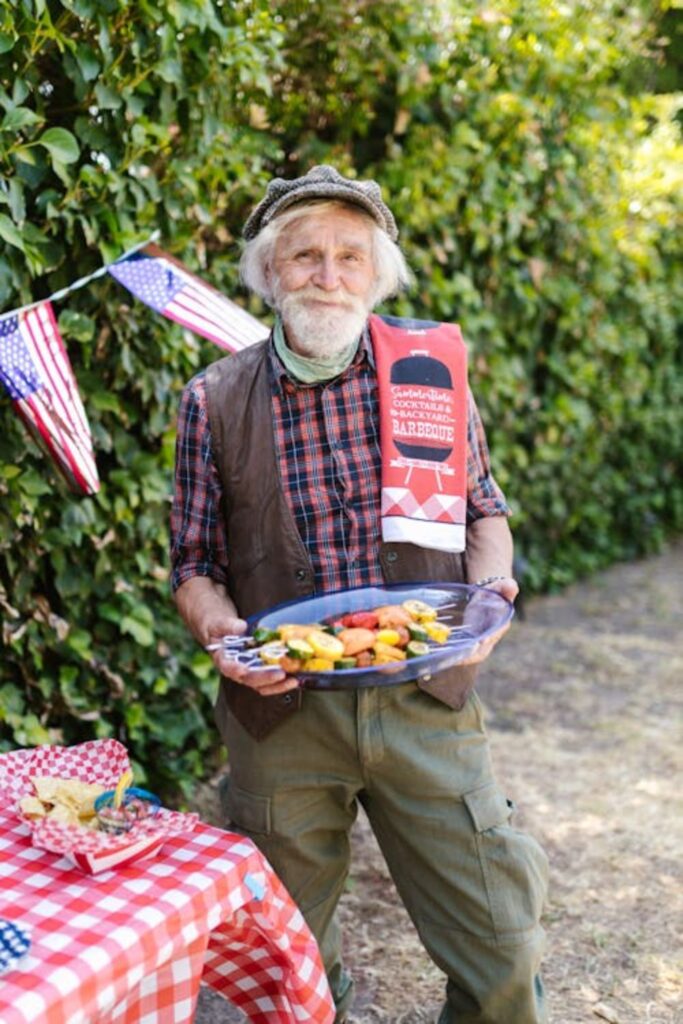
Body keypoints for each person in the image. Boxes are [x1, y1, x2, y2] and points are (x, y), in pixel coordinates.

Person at [171, 165, 549, 1023]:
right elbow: (192, 564)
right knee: (286, 958)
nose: (327, 275)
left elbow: (482, 513)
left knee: (500, 940)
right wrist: (222, 634)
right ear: (268, 274)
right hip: (281, 717)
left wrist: (487, 599)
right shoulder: (212, 401)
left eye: (350, 257)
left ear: (377, 275)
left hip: (425, 695)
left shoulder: (429, 376)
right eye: (304, 256)